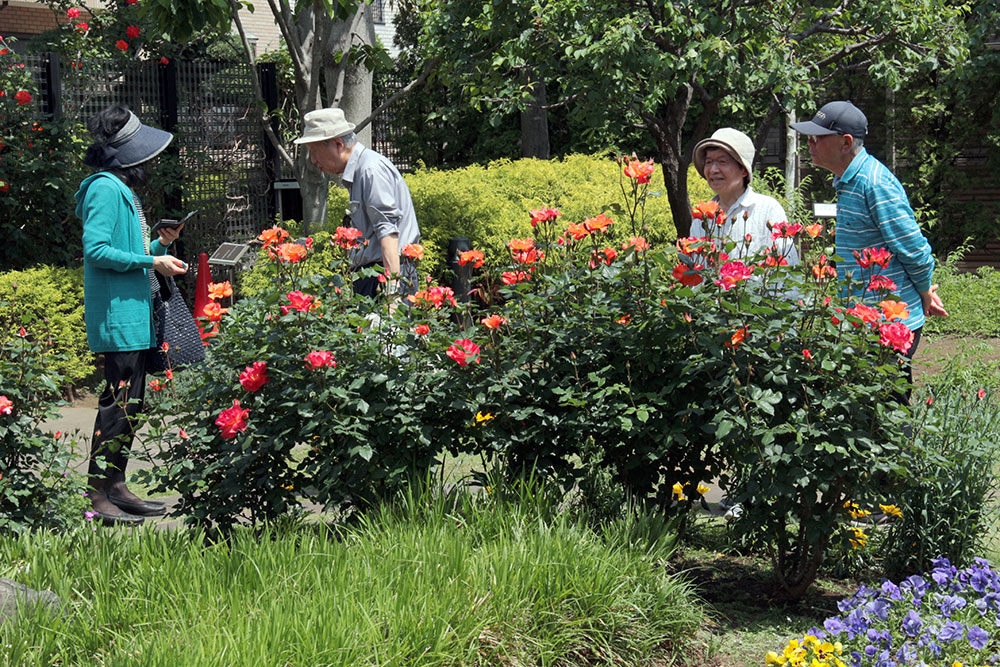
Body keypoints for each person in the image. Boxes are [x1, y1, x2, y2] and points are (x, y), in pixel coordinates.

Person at [76, 106, 187, 525]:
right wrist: (150, 264)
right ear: (125, 156)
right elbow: (96, 250)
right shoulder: (104, 188)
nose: (150, 160)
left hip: (133, 316)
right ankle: (95, 494)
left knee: (130, 403)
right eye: (143, 154)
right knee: (117, 403)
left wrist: (159, 247)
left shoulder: (121, 188)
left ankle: (116, 486)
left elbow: (133, 254)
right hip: (118, 318)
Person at [791, 101, 947, 387]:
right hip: (866, 321)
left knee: (889, 410)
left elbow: (913, 247)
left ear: (845, 142)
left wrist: (925, 291)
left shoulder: (873, 183)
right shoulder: (849, 179)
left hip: (890, 325)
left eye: (817, 137)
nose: (809, 144)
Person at [293, 108, 420, 298]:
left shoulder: (370, 170)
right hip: (374, 275)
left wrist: (392, 295)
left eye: (314, 151)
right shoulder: (360, 171)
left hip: (386, 277)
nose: (313, 160)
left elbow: (388, 232)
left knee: (387, 328)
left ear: (338, 144)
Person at [691, 127, 800, 265]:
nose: (713, 170)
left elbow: (787, 267)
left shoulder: (767, 209)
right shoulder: (702, 217)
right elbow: (696, 269)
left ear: (743, 170)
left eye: (722, 162)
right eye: (708, 162)